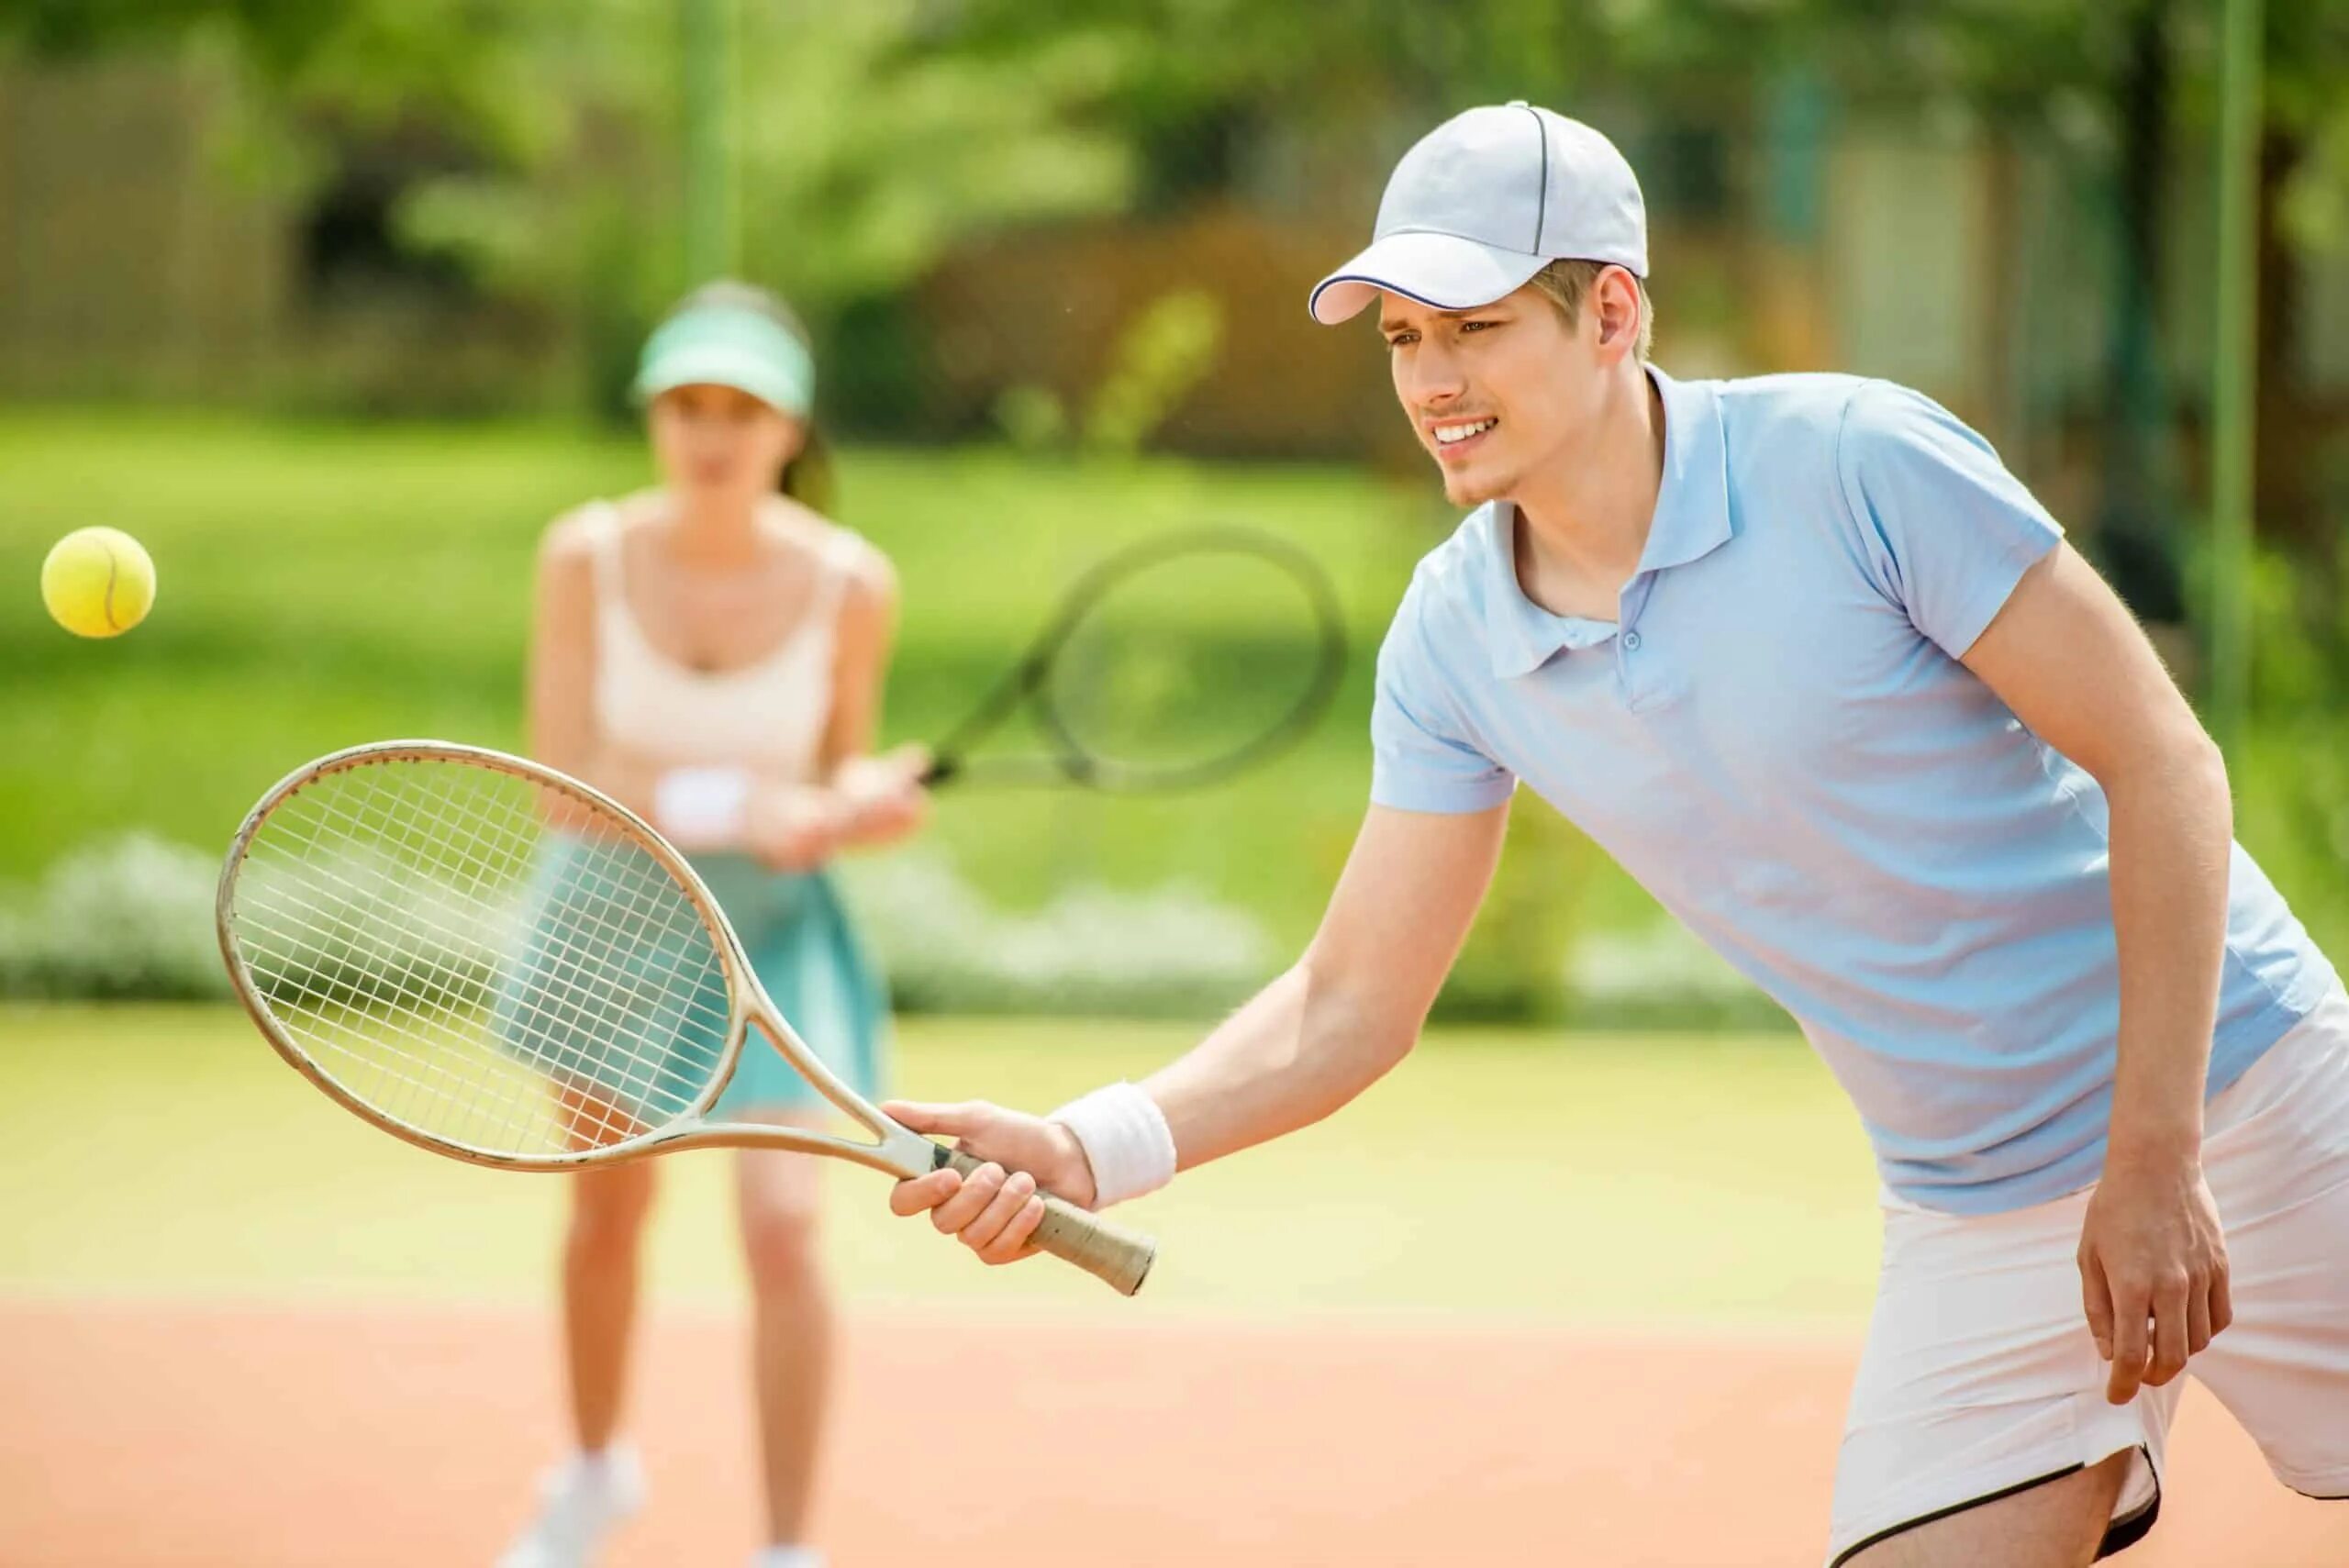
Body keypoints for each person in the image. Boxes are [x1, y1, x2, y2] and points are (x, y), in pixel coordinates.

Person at [883, 104, 2349, 1566]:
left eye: (1475, 326)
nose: (1433, 380)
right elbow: (1349, 1004)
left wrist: (2153, 1157)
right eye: (1401, 338)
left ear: (1612, 313)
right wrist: (1090, 1146)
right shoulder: (1454, 639)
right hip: (1974, 1209)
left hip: (2244, 1099)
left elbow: (2163, 762)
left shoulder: (1853, 463)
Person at [499, 281, 928, 1568]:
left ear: (790, 426)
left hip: (776, 936)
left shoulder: (853, 582)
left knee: (788, 1229)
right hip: (611, 919)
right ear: (655, 417)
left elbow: (837, 763)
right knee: (610, 1217)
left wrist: (853, 804)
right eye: (687, 403)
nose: (711, 430)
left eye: (741, 407)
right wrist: (743, 803)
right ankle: (590, 1474)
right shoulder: (584, 554)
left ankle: (788, 1546)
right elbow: (564, 780)